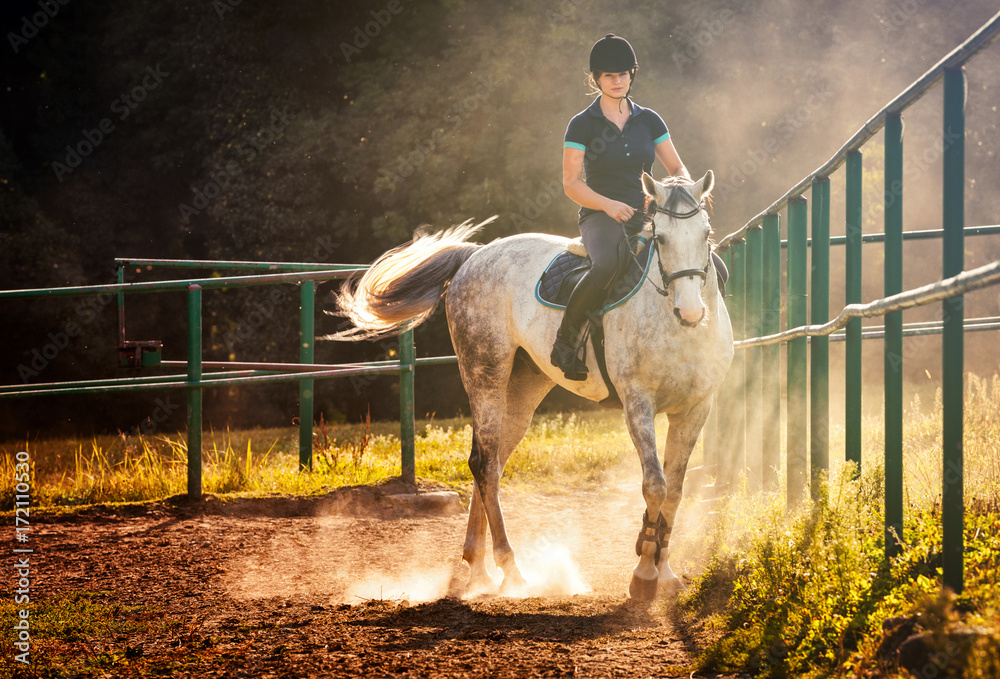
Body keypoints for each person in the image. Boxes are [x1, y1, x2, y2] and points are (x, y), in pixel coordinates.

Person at [551, 34, 691, 380]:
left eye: (624, 74)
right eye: (609, 76)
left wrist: (676, 193)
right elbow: (571, 183)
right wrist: (608, 205)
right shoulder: (581, 124)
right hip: (600, 213)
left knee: (710, 263)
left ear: (632, 75)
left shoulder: (650, 120)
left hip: (648, 212)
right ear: (596, 79)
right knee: (607, 265)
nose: (617, 82)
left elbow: (677, 169)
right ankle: (564, 343)